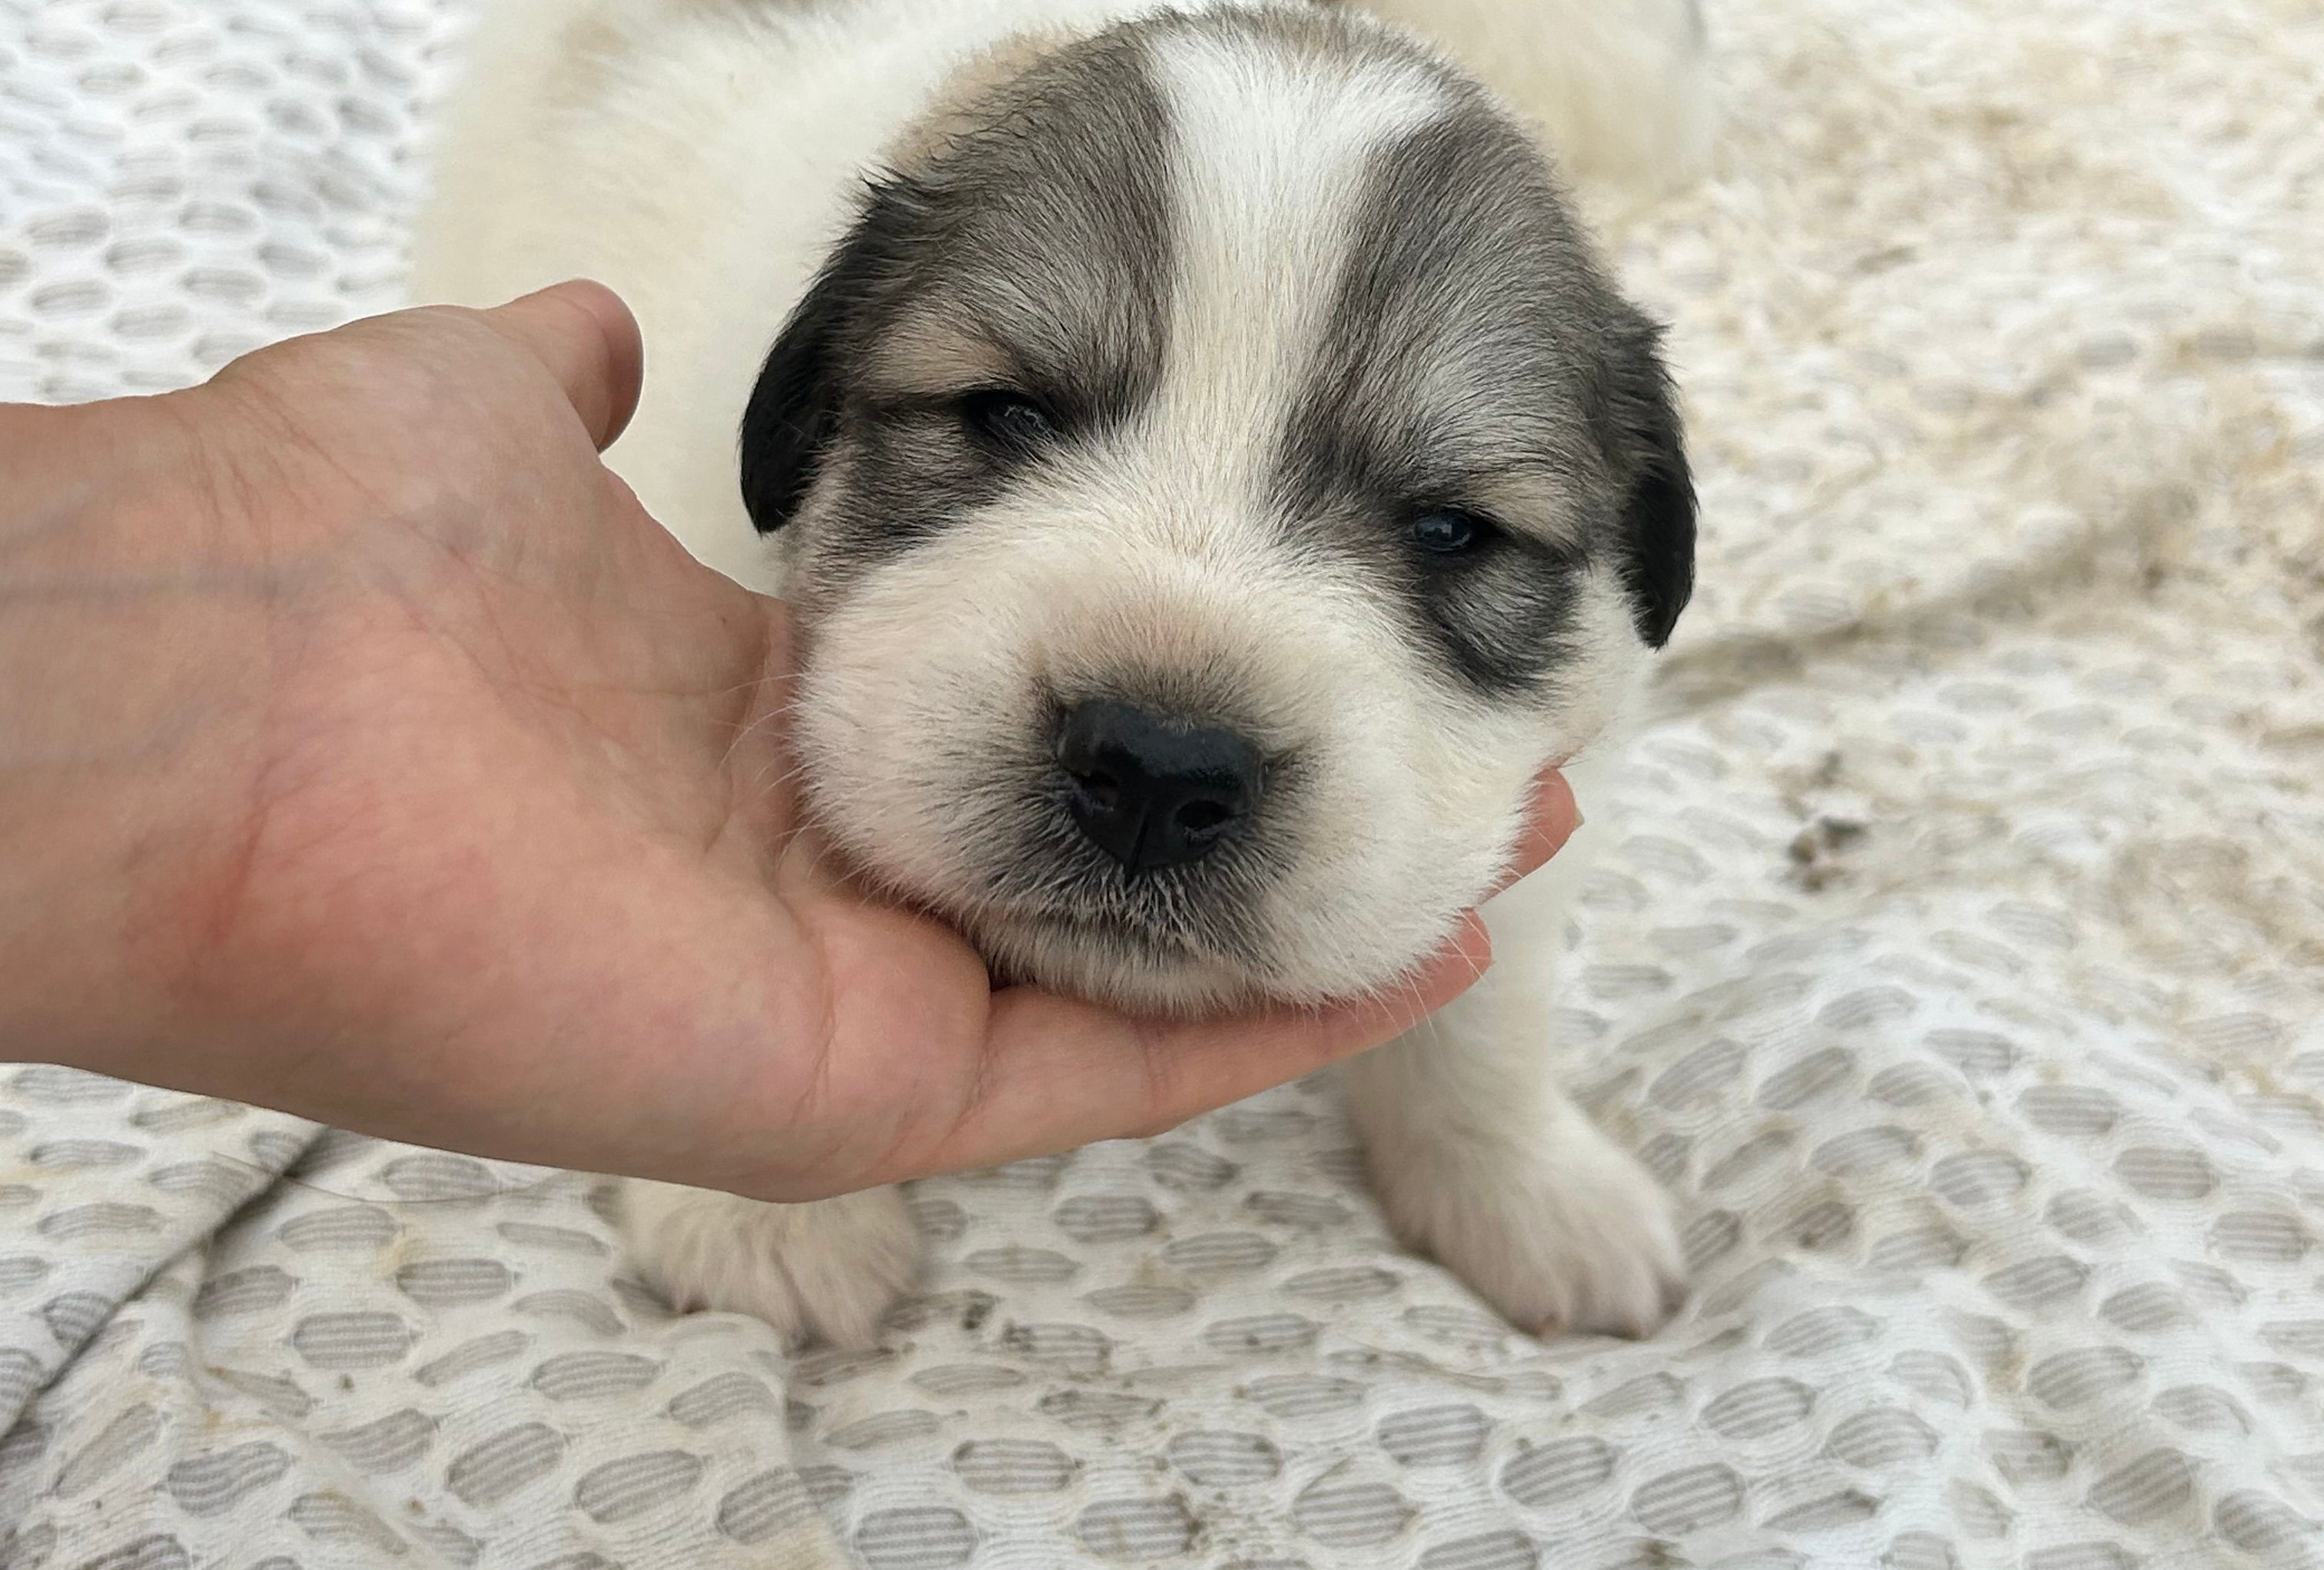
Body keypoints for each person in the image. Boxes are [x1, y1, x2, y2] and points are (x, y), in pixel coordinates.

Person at [0, 280, 1575, 1202]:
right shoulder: (688, 471)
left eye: (1451, 528)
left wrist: (1479, 1132)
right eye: (1007, 416)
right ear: (798, 405)